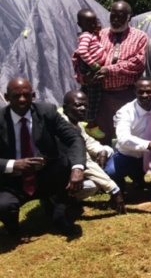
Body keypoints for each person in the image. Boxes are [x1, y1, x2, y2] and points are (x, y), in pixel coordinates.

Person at [0, 78, 86, 237]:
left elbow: (74, 138)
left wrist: (78, 168)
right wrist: (14, 165)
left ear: (33, 96)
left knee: (67, 163)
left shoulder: (47, 111)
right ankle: (12, 227)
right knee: (3, 206)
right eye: (16, 96)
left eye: (26, 95)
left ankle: (59, 213)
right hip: (12, 181)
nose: (21, 100)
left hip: (45, 174)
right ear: (6, 97)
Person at [93, 1, 148, 146]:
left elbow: (138, 64)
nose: (116, 20)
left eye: (121, 16)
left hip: (126, 94)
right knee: (102, 135)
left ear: (129, 17)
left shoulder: (139, 36)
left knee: (127, 135)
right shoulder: (100, 35)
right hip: (101, 94)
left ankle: (127, 167)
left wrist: (110, 69)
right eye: (113, 15)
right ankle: (102, 165)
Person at [61, 91, 125, 214]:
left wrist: (103, 150)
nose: (83, 109)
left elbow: (89, 142)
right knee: (93, 185)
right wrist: (114, 189)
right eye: (78, 105)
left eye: (85, 106)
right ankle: (61, 200)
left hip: (73, 169)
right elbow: (85, 162)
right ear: (65, 108)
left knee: (107, 155)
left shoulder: (75, 122)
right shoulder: (63, 127)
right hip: (61, 174)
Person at [72, 8, 107, 140]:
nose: (93, 25)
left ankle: (82, 120)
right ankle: (91, 124)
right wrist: (94, 64)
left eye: (94, 21)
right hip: (89, 67)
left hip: (89, 67)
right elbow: (83, 51)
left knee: (86, 93)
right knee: (94, 96)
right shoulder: (86, 35)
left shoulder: (91, 34)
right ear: (80, 24)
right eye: (88, 23)